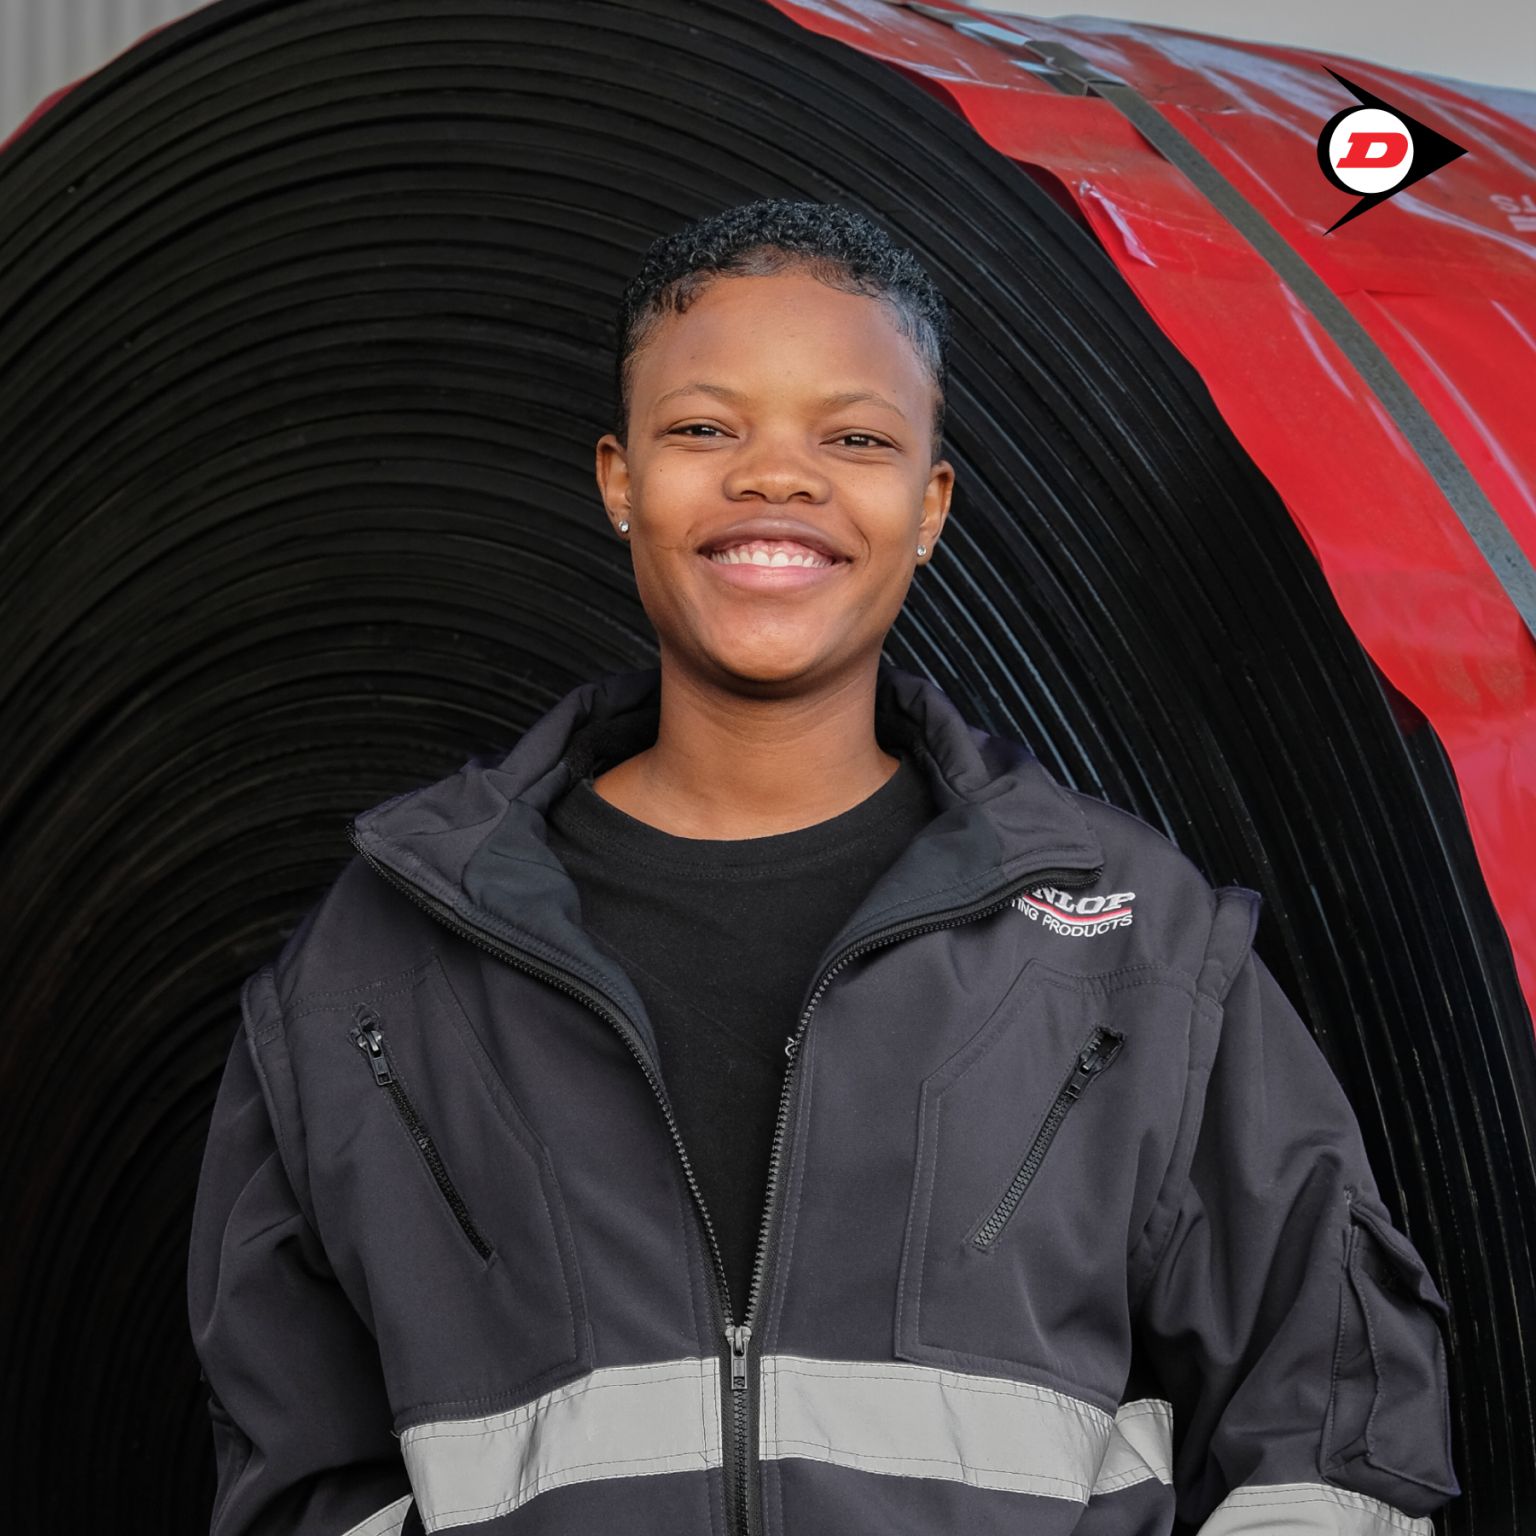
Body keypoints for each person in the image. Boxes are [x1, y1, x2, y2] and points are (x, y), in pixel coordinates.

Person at [186, 198, 1461, 1536]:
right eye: (704, 429)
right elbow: (301, 1477)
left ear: (931, 502)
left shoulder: (1138, 948)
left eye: (853, 437)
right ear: (619, 481)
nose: (776, 480)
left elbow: (1325, 1422)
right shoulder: (376, 971)